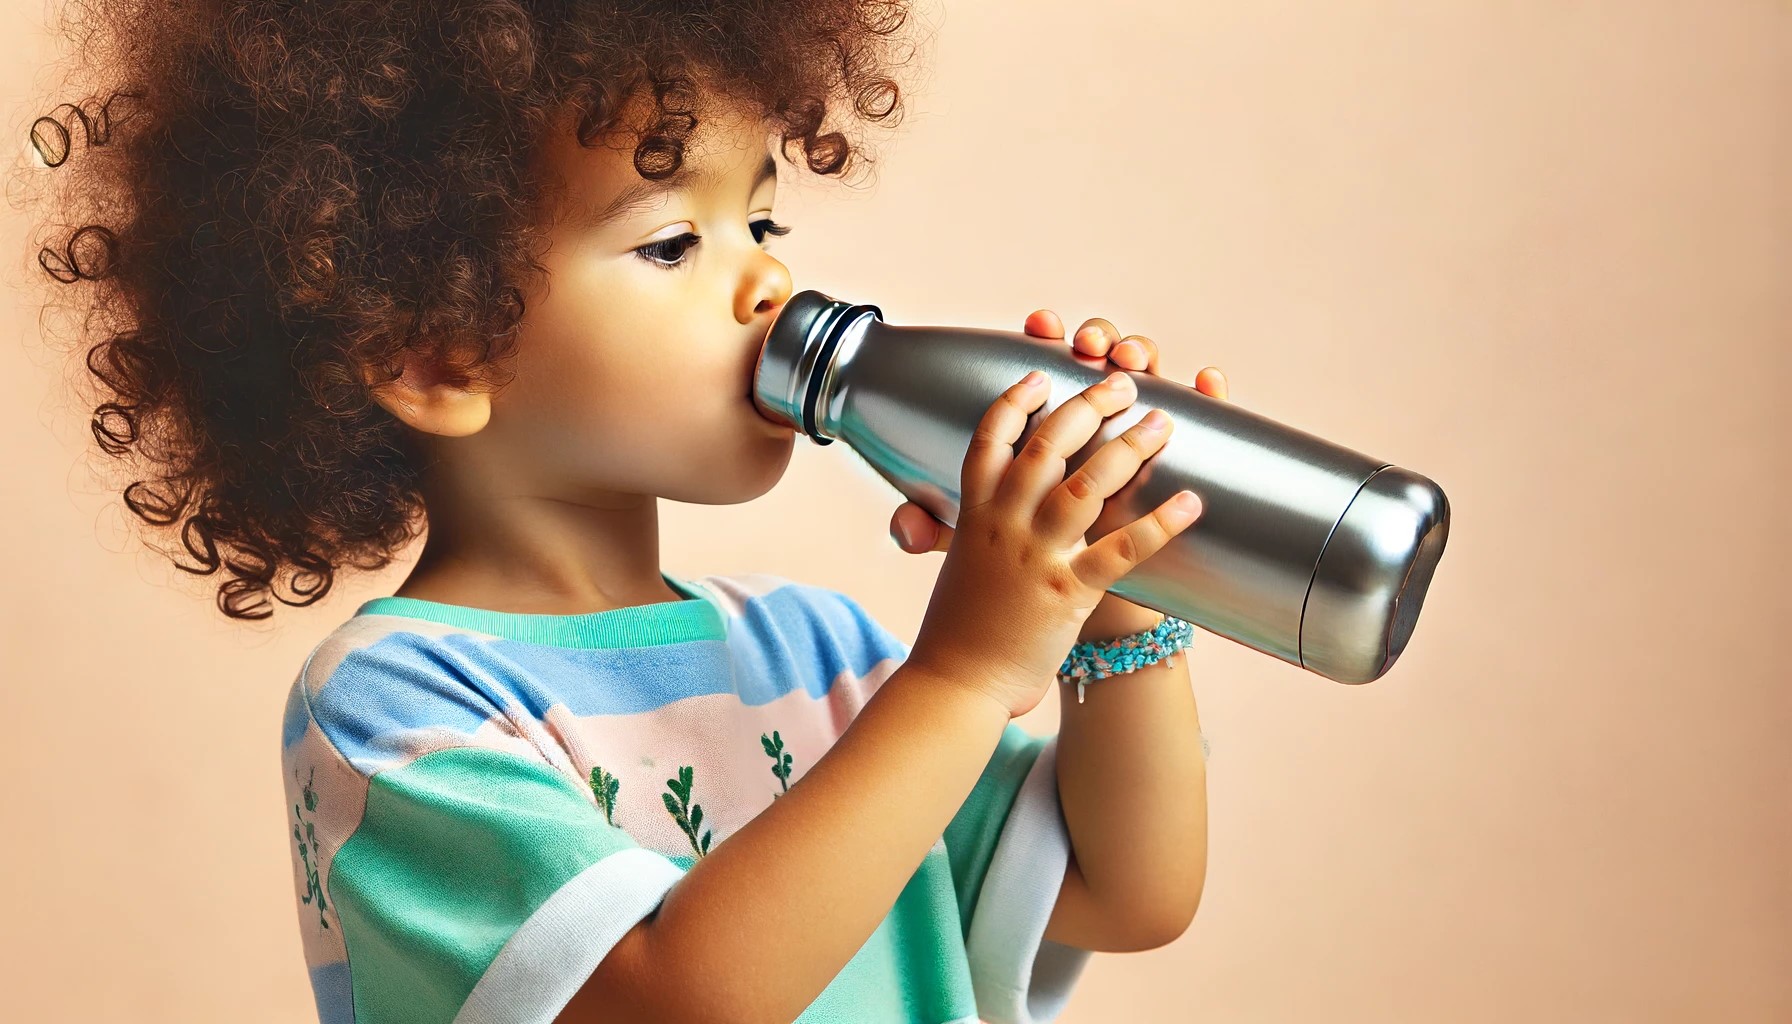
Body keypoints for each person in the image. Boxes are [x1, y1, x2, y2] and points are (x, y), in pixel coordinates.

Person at [30, 2, 1222, 1021]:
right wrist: (962, 677)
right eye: (670, 243)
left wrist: (1109, 602)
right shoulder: (397, 708)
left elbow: (1127, 889)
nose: (769, 280)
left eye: (761, 224)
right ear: (439, 353)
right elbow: (672, 994)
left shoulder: (816, 656)